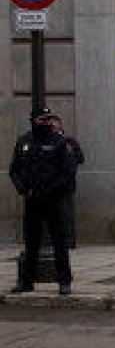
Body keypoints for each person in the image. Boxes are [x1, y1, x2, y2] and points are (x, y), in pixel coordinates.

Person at [9, 107, 79, 295]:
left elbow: (68, 173)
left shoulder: (60, 142)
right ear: (33, 120)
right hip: (32, 200)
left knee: (59, 242)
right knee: (31, 242)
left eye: (48, 120)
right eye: (42, 120)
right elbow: (14, 170)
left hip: (54, 201)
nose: (46, 123)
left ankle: (64, 281)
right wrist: (22, 188)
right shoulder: (24, 142)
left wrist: (51, 190)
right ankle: (27, 281)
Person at [50, 115, 84, 249]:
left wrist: (70, 159)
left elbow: (80, 158)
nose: (52, 128)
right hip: (49, 185)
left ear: (59, 125)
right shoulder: (47, 141)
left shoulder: (69, 141)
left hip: (65, 185)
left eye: (54, 125)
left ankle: (68, 241)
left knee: (66, 214)